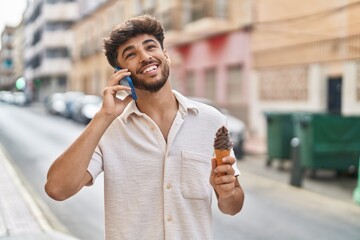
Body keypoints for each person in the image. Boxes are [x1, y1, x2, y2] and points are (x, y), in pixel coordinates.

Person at [45, 15, 244, 239]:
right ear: (121, 74)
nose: (145, 57)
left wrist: (227, 192)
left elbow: (232, 206)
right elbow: (57, 189)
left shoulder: (211, 121)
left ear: (165, 55)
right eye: (131, 54)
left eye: (151, 47)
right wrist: (103, 116)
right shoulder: (109, 130)